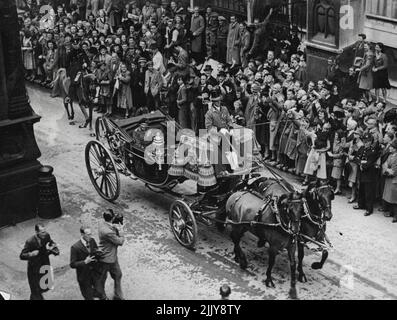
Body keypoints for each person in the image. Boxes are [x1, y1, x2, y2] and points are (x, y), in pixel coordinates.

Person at [19, 224, 59, 300]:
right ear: (36, 232)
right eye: (42, 232)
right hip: (34, 268)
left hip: (44, 264)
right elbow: (22, 255)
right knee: (35, 289)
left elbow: (51, 243)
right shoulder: (30, 241)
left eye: (44, 231)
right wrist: (31, 254)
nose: (44, 234)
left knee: (45, 286)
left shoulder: (46, 235)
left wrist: (55, 249)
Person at [97, 209, 125, 300]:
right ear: (112, 217)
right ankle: (102, 297)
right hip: (106, 259)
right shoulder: (108, 232)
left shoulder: (102, 223)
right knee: (102, 280)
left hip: (111, 257)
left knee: (118, 274)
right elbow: (120, 241)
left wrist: (114, 223)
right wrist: (121, 230)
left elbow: (110, 226)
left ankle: (118, 295)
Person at [70, 226, 101, 300]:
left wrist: (98, 253)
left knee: (99, 291)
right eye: (88, 234)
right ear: (82, 234)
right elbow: (72, 264)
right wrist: (84, 262)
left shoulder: (92, 240)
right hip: (84, 276)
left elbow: (95, 251)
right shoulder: (75, 247)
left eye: (91, 234)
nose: (90, 236)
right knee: (88, 297)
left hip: (94, 273)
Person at [354, 133, 381, 216]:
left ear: (371, 142)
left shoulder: (373, 151)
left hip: (369, 174)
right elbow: (356, 158)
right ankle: (360, 204)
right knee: (361, 189)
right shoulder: (362, 148)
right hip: (361, 173)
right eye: (365, 141)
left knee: (368, 192)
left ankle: (369, 209)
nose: (366, 143)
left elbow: (370, 162)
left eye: (368, 141)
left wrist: (363, 165)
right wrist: (361, 164)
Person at [382, 140, 397, 223]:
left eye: (392, 147)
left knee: (395, 198)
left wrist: (387, 169)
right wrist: (387, 169)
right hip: (389, 179)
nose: (390, 148)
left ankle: (396, 215)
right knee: (389, 197)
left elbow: (394, 171)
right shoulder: (390, 156)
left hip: (394, 180)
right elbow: (384, 165)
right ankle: (391, 212)